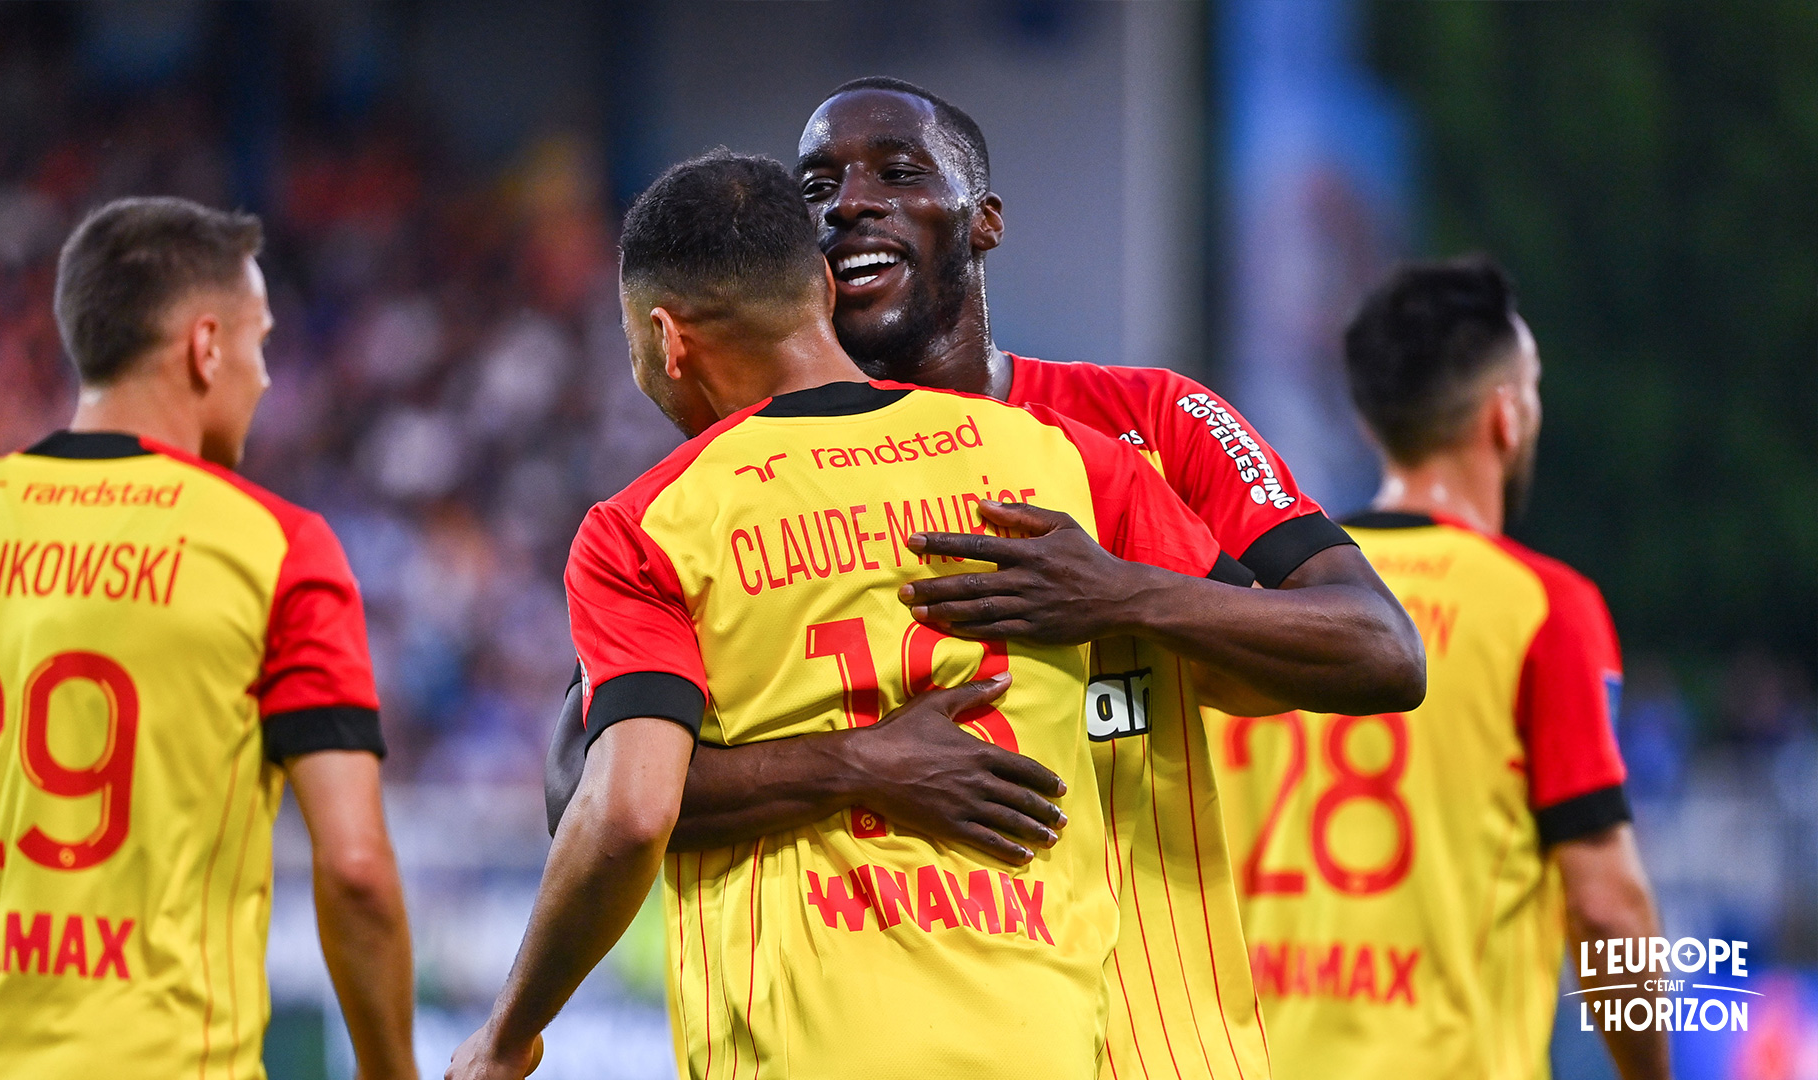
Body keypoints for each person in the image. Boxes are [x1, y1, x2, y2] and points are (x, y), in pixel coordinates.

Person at [547, 77, 1425, 1080]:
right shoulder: (722, 501)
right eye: (818, 186)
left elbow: (1379, 650)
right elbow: (592, 792)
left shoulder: (1143, 428)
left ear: (986, 222)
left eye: (897, 171)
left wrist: (1119, 595)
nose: (849, 202)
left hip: (1159, 1034)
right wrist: (861, 762)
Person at [451, 151, 1248, 1080]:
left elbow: (625, 810)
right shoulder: (1059, 457)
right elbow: (1254, 650)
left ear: (666, 339)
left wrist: (506, 1038)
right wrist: (1118, 592)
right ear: (823, 289)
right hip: (1046, 1038)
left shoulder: (648, 525)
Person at [0, 197, 417, 1079]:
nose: (263, 377)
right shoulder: (275, 547)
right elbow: (357, 867)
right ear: (205, 346)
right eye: (260, 344)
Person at [1205, 256, 1668, 1079]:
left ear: (1371, 420)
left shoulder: (1257, 595)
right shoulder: (1542, 607)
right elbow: (1606, 905)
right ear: (1507, 414)